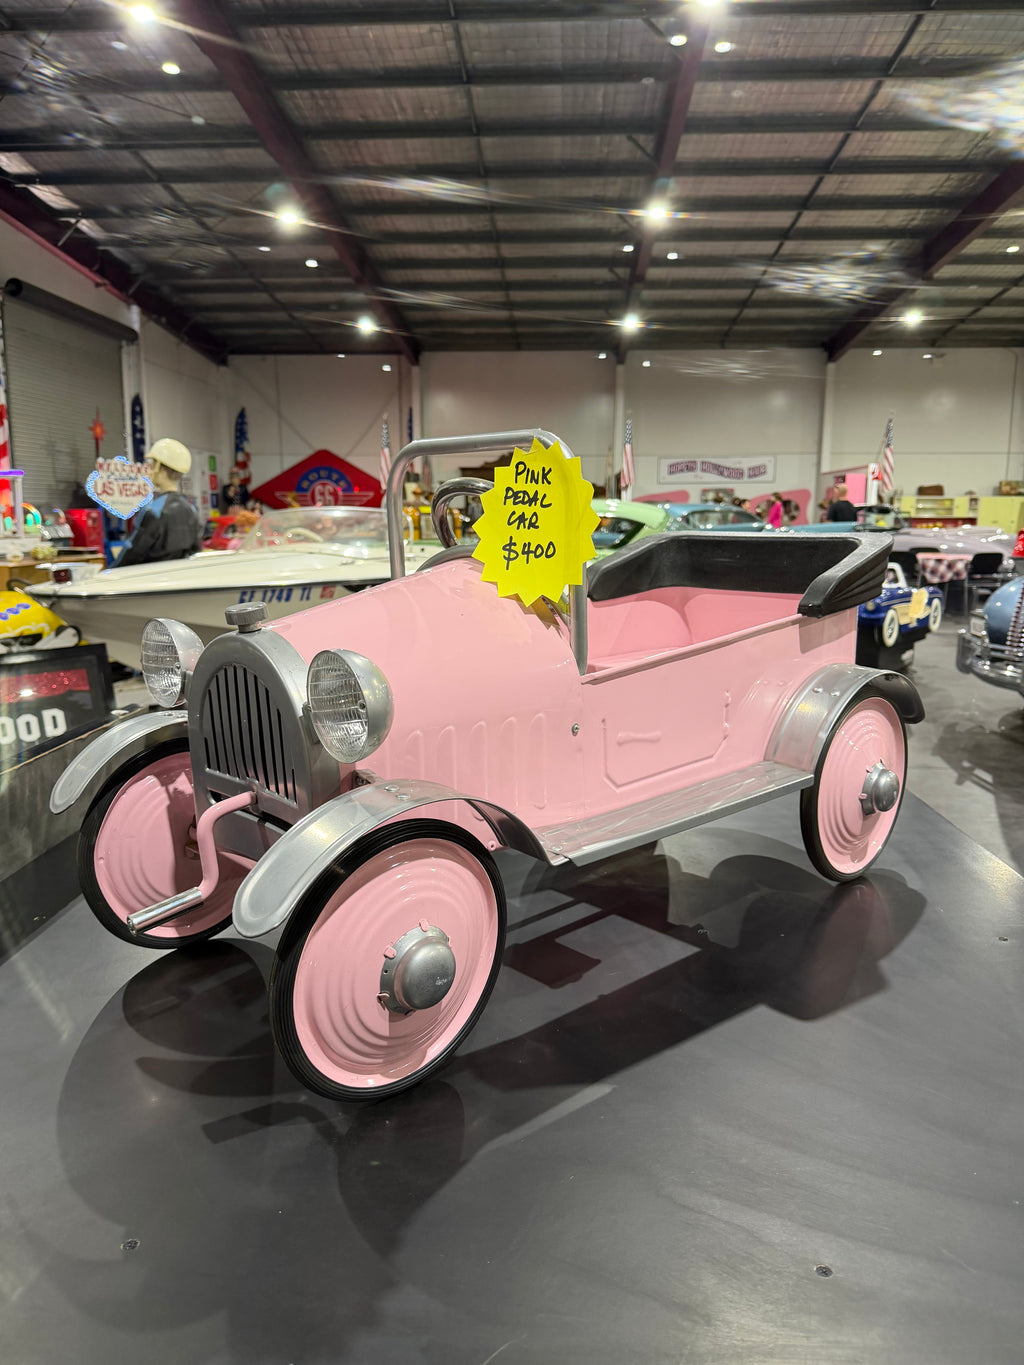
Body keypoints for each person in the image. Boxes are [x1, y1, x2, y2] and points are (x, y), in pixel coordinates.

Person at [116, 438, 202, 567]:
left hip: (152, 581)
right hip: (181, 580)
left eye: (152, 463)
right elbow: (195, 551)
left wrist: (109, 573)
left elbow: (133, 552)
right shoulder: (191, 510)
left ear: (158, 467)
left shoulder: (154, 509)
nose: (149, 468)